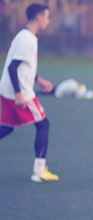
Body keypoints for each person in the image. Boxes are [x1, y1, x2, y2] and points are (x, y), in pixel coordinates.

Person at [0, 3, 58, 182]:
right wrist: (19, 94)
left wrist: (38, 79)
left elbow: (23, 67)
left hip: (7, 91)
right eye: (47, 17)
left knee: (6, 128)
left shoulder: (26, 36)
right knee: (43, 124)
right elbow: (12, 67)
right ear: (39, 18)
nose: (48, 21)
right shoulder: (27, 39)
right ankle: (39, 171)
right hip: (19, 93)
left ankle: (39, 170)